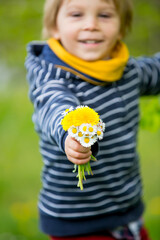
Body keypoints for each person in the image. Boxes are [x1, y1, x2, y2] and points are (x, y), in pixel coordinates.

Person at [25, 0, 160, 239]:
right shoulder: (51, 76)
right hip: (77, 220)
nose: (91, 25)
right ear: (54, 26)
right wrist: (72, 133)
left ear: (122, 27)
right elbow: (54, 106)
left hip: (128, 208)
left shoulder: (127, 70)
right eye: (76, 14)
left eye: (105, 15)